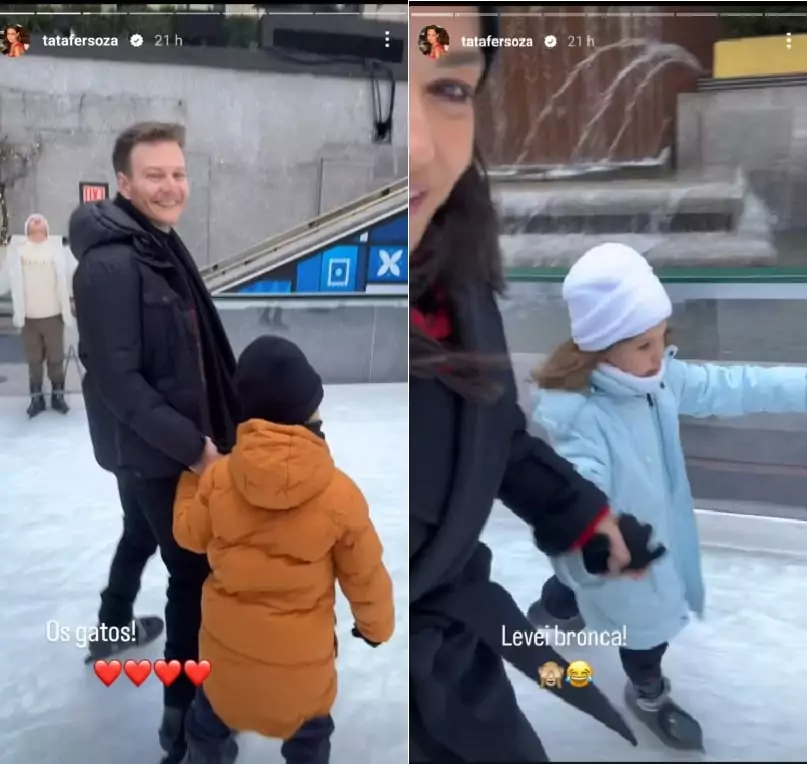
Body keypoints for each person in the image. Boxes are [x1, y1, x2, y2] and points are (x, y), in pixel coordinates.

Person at [409, 6, 655, 762]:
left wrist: (578, 513)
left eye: (450, 90)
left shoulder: (454, 271)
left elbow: (488, 428)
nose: (418, 148)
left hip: (451, 655)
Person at [527, 242, 807, 751]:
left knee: (574, 592)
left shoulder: (659, 381)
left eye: (662, 339)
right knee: (643, 634)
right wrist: (592, 542)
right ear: (601, 348)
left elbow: (738, 386)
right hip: (627, 557)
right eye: (643, 346)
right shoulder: (584, 418)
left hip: (652, 537)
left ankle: (557, 607)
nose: (659, 357)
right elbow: (573, 486)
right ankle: (647, 691)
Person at [70, 121, 241, 764]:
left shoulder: (153, 242)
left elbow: (189, 352)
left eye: (177, 173)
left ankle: (112, 627)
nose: (170, 186)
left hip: (146, 447)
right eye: (154, 175)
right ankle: (184, 721)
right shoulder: (113, 263)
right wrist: (198, 449)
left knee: (139, 535)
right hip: (156, 452)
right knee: (192, 576)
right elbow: (118, 378)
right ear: (123, 182)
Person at [173, 335, 395, 764]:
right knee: (310, 739)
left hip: (224, 669)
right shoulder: (339, 496)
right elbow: (366, 576)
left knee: (207, 724)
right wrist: (375, 629)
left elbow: (188, 534)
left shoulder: (218, 482)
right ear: (310, 413)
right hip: (303, 681)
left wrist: (191, 478)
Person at [0, 213, 75, 416]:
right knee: (34, 360)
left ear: (46, 226)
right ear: (27, 227)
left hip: (53, 315)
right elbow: (5, 279)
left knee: (55, 358)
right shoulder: (18, 252)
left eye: (40, 219)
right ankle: (36, 400)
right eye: (32, 219)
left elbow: (73, 273)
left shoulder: (58, 251)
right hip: (28, 318)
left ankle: (57, 397)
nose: (36, 220)